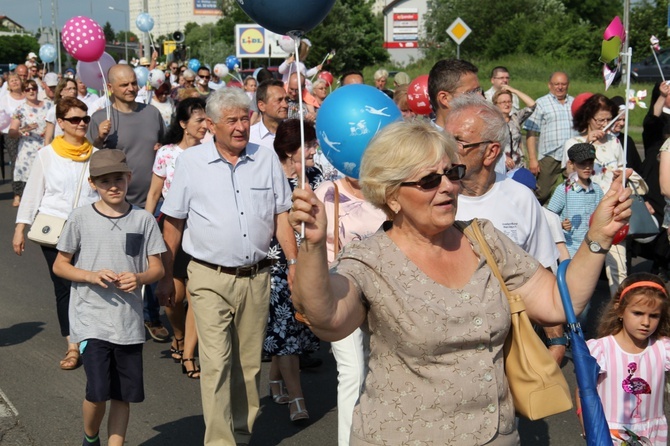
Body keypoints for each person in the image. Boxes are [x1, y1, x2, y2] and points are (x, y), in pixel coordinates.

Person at [288, 118, 632, 445]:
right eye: (428, 181)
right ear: (391, 195)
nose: (448, 187)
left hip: (496, 436)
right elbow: (328, 320)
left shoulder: (484, 239)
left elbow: (559, 303)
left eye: (451, 173)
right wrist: (314, 247)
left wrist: (597, 237)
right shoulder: (368, 259)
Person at [155, 87, 297, 445]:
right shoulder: (190, 163)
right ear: (212, 125)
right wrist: (166, 276)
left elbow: (282, 216)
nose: (240, 127)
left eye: (244, 119)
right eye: (231, 120)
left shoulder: (266, 160)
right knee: (216, 363)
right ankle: (220, 442)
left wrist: (294, 264)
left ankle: (239, 433)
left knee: (248, 367)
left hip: (257, 276)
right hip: (207, 276)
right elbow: (173, 223)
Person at [52, 149, 166, 446]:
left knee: (122, 394)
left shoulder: (143, 219)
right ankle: (90, 438)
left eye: (118, 178)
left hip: (128, 324)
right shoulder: (79, 218)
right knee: (97, 391)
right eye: (104, 181)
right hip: (91, 319)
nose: (113, 185)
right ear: (93, 184)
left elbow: (157, 268)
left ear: (129, 178)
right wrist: (90, 275)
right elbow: (60, 264)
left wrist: (139, 277)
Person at [446, 95, 567, 363]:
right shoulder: (434, 196)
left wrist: (556, 342)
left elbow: (542, 272)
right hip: (449, 351)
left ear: (491, 152)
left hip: (512, 351)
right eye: (445, 138)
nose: (447, 149)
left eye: (460, 142)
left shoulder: (521, 198)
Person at [12, 97, 99, 370]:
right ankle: (73, 345)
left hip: (89, 229)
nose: (81, 123)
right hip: (55, 230)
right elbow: (33, 192)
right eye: (74, 119)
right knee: (64, 287)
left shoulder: (96, 154)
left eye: (85, 118)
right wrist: (20, 229)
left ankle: (92, 340)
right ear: (60, 123)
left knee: (89, 285)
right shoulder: (46, 154)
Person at [88, 64, 168, 342]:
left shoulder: (153, 113)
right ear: (110, 88)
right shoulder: (100, 118)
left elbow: (163, 147)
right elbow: (93, 156)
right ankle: (115, 318)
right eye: (124, 85)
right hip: (116, 206)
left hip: (153, 201)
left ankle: (151, 316)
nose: (132, 88)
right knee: (123, 261)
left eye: (133, 83)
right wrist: (100, 137)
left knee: (153, 260)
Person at [313, 173, 387, 445]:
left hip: (384, 291)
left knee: (382, 370)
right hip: (340, 290)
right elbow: (310, 244)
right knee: (353, 371)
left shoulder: (387, 190)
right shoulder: (326, 192)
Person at [145, 97, 208, 379]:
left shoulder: (211, 151)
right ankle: (180, 336)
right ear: (184, 124)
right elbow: (154, 194)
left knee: (195, 294)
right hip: (172, 228)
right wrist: (145, 228)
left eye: (207, 119)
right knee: (173, 296)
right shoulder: (167, 154)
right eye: (199, 120)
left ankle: (188, 353)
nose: (205, 125)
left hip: (203, 229)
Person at [264, 119, 322, 423]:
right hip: (280, 265)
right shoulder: (269, 177)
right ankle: (297, 399)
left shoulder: (318, 176)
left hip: (313, 261)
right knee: (286, 329)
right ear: (289, 151)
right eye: (308, 144)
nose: (315, 149)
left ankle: (275, 378)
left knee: (296, 330)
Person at [562, 93, 648, 296]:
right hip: (583, 212)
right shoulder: (574, 141)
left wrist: (623, 174)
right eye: (600, 119)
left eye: (608, 119)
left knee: (618, 267)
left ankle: (619, 309)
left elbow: (622, 169)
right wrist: (587, 145)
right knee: (580, 266)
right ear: (588, 118)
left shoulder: (615, 142)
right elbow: (568, 175)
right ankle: (575, 313)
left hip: (612, 209)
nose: (604, 124)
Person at [579, 273, 670, 445]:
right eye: (638, 313)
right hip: (611, 433)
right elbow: (583, 390)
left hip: (651, 435)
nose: (645, 322)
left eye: (654, 316)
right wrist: (588, 427)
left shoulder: (663, 348)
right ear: (620, 310)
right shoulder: (600, 350)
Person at [523, 72, 577, 203]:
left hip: (572, 155)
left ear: (568, 85)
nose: (560, 87)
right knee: (542, 193)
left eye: (563, 84)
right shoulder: (541, 103)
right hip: (550, 156)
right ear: (549, 85)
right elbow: (531, 132)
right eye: (556, 84)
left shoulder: (575, 103)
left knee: (575, 190)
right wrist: (533, 159)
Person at [547, 143, 604, 257]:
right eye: (582, 164)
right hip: (570, 249)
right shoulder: (563, 189)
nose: (587, 167)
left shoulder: (597, 189)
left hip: (592, 247)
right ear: (571, 164)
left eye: (590, 163)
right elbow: (549, 217)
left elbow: (601, 215)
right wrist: (561, 224)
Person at [8, 79, 49, 206]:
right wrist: (25, 129)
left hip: (45, 145)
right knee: (27, 176)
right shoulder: (20, 110)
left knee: (45, 176)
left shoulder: (48, 105)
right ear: (24, 92)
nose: (31, 91)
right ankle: (21, 198)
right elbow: (11, 133)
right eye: (27, 89)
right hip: (27, 148)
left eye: (34, 88)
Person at [492, 85, 535, 170]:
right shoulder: (492, 123)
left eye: (509, 101)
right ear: (496, 105)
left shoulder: (516, 118)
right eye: (503, 102)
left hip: (518, 166)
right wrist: (503, 157)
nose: (507, 104)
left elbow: (532, 105)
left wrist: (514, 90)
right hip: (501, 166)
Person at [1, 73, 26, 200]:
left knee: (28, 162)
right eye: (12, 81)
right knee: (16, 161)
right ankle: (17, 192)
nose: (15, 82)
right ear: (8, 84)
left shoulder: (26, 96)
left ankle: (28, 190)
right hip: (10, 134)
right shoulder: (4, 99)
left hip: (28, 134)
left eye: (16, 80)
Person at [249, 79, 288, 150]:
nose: (285, 105)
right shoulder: (250, 137)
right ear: (262, 106)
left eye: (286, 100)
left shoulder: (296, 134)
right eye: (279, 100)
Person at [44, 78, 78, 145]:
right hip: (60, 148)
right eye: (69, 89)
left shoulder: (79, 110)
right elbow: (48, 138)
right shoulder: (54, 111)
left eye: (74, 88)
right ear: (61, 92)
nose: (73, 91)